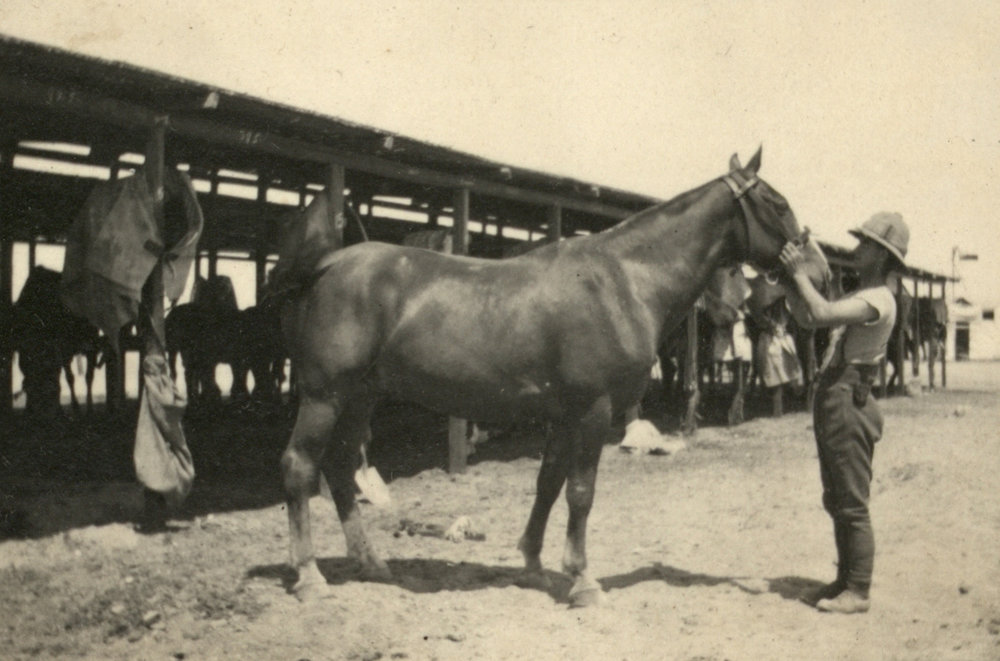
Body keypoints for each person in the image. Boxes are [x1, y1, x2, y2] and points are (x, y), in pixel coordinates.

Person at [779, 212, 909, 614]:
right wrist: (789, 280)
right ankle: (844, 582)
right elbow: (807, 316)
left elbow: (819, 315)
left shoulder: (878, 299)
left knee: (851, 501)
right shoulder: (866, 294)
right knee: (836, 498)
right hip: (837, 397)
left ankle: (858, 590)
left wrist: (798, 272)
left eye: (866, 244)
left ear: (883, 255)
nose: (857, 250)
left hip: (848, 399)